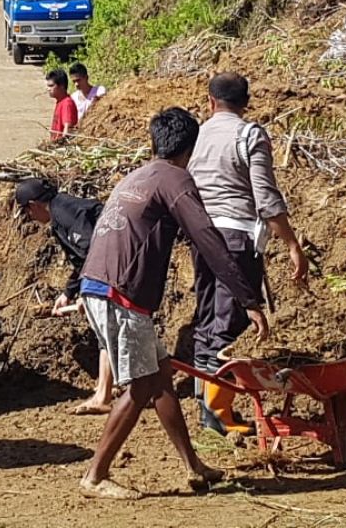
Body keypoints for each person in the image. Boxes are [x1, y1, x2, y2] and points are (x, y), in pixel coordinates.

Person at [77, 107, 269, 499]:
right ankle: (95, 476)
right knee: (142, 385)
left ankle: (194, 468)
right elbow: (207, 238)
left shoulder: (140, 175)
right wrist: (249, 298)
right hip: (121, 293)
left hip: (100, 284)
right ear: (191, 147)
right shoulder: (176, 179)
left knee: (161, 376)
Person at [187, 72, 310, 434]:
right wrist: (291, 244)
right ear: (246, 103)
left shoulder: (198, 135)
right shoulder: (249, 135)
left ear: (210, 101)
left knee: (207, 316)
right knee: (230, 322)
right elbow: (266, 197)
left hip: (201, 235)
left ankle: (203, 403)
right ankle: (216, 413)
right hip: (237, 239)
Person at [15, 178, 113, 415]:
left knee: (108, 330)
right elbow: (80, 260)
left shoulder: (67, 213)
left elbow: (96, 251)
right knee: (104, 333)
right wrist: (68, 293)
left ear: (33, 204)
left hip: (112, 271)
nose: (29, 217)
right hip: (103, 272)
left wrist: (89, 288)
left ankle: (107, 394)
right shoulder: (59, 215)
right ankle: (104, 390)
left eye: (27, 211)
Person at [47, 69, 78, 142]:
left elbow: (68, 131)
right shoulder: (60, 102)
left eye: (51, 86)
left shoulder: (67, 103)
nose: (48, 89)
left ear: (62, 86)